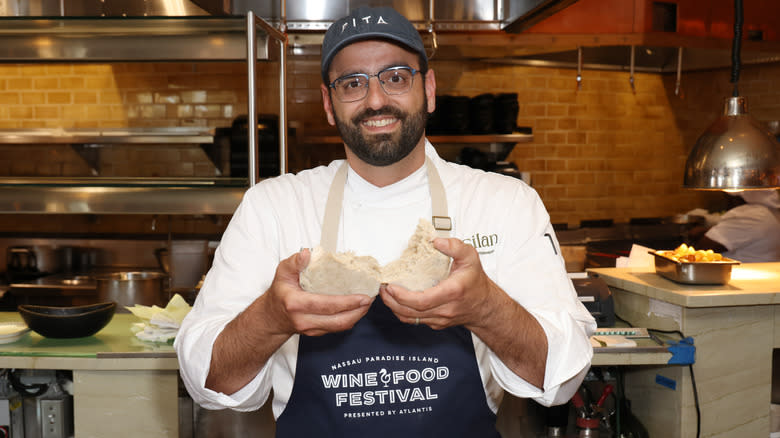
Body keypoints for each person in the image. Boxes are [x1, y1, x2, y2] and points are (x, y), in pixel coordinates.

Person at [175, 6, 596, 436]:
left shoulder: (504, 203)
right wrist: (271, 317)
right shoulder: (274, 207)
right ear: (328, 103)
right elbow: (205, 378)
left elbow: (563, 376)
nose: (375, 99)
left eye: (396, 77)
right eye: (352, 83)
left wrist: (486, 308)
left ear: (429, 89)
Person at [695, 189, 780, 262]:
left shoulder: (748, 214)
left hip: (743, 274)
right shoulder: (769, 212)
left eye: (728, 197)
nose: (727, 201)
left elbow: (705, 247)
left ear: (739, 198)